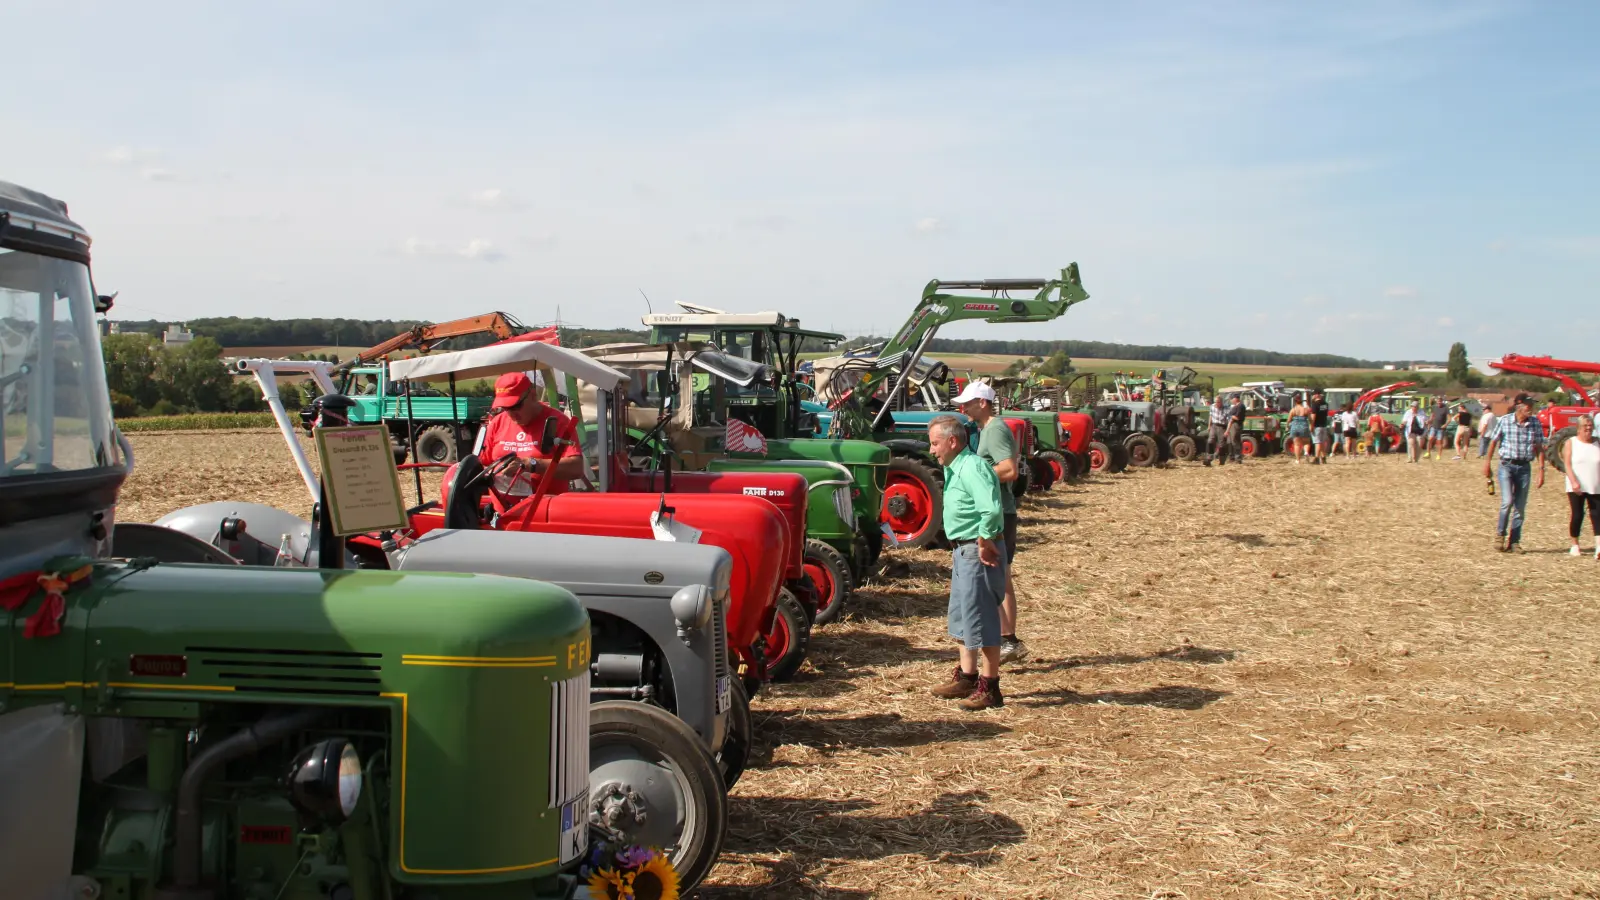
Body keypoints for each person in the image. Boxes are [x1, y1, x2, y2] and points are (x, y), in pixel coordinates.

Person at [926, 415, 1007, 711]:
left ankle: (990, 687)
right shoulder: (955, 467)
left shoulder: (972, 467)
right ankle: (967, 677)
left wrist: (985, 541)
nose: (932, 450)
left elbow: (991, 509)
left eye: (935, 443)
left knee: (983, 614)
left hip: (977, 548)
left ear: (952, 441)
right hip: (964, 549)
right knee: (962, 614)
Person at [953, 381, 1028, 663]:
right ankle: (1009, 639)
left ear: (982, 403)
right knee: (1003, 578)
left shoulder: (995, 429)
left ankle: (1009, 640)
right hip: (1001, 509)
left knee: (1000, 578)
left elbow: (1009, 470)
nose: (964, 408)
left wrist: (975, 476)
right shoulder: (987, 429)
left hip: (1002, 511)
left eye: (969, 403)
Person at [474, 371, 585, 500]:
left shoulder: (558, 422)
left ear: (533, 395)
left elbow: (576, 468)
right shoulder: (497, 422)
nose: (512, 414)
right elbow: (481, 465)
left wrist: (531, 464)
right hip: (501, 513)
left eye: (516, 406)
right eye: (506, 408)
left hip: (543, 513)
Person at [1483, 394, 1546, 552]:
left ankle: (1514, 542)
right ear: (1519, 405)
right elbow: (1493, 442)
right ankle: (1500, 536)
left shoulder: (1535, 423)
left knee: (1520, 506)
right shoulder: (1505, 421)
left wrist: (1541, 469)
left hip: (1524, 467)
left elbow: (1539, 447)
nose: (1531, 408)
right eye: (1528, 405)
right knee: (1507, 501)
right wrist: (1487, 464)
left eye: (1531, 405)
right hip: (1507, 466)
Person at [1561, 414, 1600, 558]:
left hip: (1595, 484)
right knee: (1578, 515)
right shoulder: (1571, 443)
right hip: (1576, 485)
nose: (1588, 429)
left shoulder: (1597, 443)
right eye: (1585, 426)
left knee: (1597, 515)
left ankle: (1599, 547)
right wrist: (1573, 481)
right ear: (1578, 428)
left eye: (1590, 426)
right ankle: (1575, 544)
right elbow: (1567, 464)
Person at [1286, 394, 1312, 463]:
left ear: (1295, 402)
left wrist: (1287, 426)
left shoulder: (1293, 410)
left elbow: (1288, 420)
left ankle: (1298, 460)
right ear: (1301, 401)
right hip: (1304, 426)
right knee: (1306, 442)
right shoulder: (1305, 410)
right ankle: (1306, 452)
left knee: (1296, 444)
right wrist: (1311, 425)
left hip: (1295, 427)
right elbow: (1310, 419)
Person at [1204, 395, 1228, 466]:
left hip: (1222, 426)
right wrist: (1209, 426)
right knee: (1210, 441)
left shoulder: (1226, 408)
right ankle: (1208, 459)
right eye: (1216, 402)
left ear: (1221, 402)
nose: (1217, 404)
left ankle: (1222, 461)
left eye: (1218, 402)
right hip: (1214, 426)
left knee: (1221, 445)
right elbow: (1210, 416)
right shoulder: (1212, 407)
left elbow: (1229, 419)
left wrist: (1227, 430)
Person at [1309, 390, 1331, 464]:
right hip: (1324, 425)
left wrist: (1311, 425)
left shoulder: (1315, 404)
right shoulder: (1325, 404)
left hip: (1317, 426)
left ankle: (1316, 458)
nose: (1312, 396)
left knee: (1317, 442)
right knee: (1322, 442)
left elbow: (1313, 416)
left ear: (1316, 395)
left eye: (1313, 395)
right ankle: (1323, 458)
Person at [1226, 394, 1247, 462]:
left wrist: (1230, 415)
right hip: (1232, 424)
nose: (1231, 400)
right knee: (1230, 441)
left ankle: (1238, 457)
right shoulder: (1236, 406)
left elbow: (1237, 418)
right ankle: (1231, 457)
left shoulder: (1240, 406)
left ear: (1235, 398)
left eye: (1232, 399)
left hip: (1236, 425)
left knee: (1235, 441)